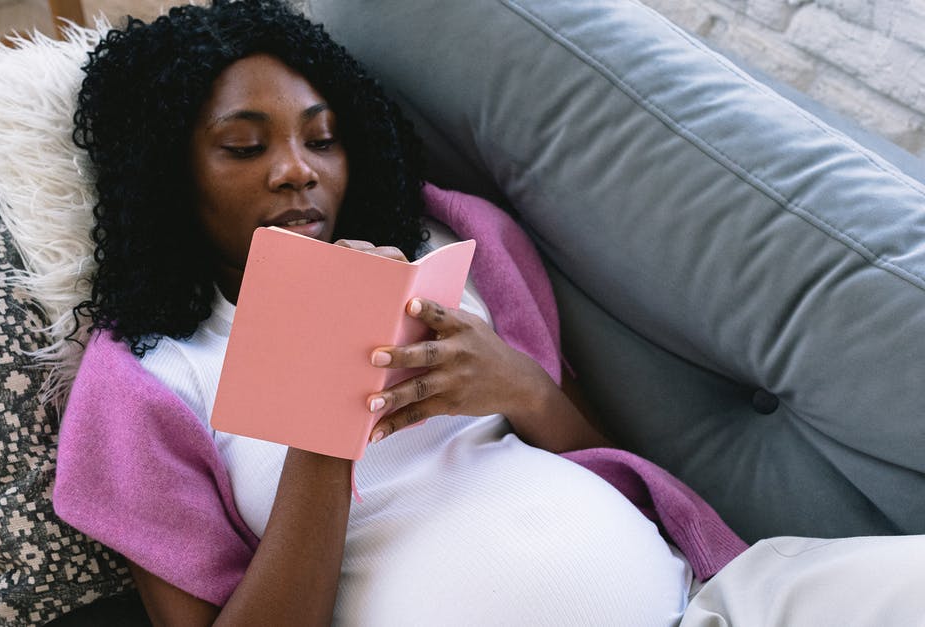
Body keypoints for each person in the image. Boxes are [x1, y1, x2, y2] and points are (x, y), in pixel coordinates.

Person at [53, 1, 925, 625]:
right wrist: (321, 433)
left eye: (322, 138)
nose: (298, 170)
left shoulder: (453, 242)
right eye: (245, 146)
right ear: (171, 175)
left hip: (717, 602)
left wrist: (524, 388)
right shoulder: (149, 375)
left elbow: (599, 458)